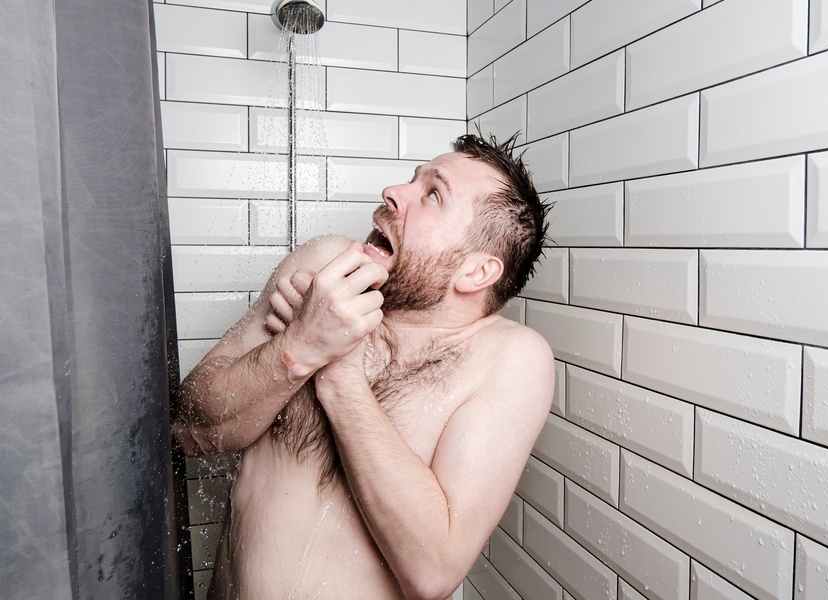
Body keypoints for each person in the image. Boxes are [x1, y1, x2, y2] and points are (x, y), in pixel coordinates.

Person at [171, 133, 555, 600]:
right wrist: (296, 350)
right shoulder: (324, 268)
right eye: (414, 179)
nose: (394, 191)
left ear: (476, 273)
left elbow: (432, 572)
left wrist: (338, 372)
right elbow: (187, 428)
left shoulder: (509, 361)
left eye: (433, 194)